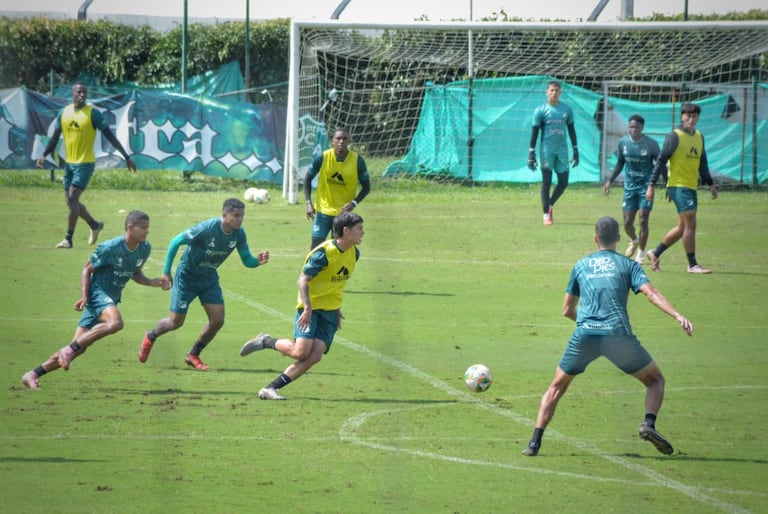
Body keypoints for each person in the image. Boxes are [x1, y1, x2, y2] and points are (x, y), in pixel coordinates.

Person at [521, 216, 693, 457]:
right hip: (617, 337)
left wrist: (588, 323)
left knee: (556, 388)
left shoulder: (581, 265)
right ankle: (648, 424)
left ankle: (534, 444)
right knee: (655, 381)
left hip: (585, 335)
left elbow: (567, 310)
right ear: (619, 238)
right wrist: (676, 315)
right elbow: (651, 294)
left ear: (595, 239)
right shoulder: (629, 265)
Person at [20, 211, 169, 390]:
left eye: (148, 228)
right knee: (115, 323)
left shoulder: (144, 249)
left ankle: (33, 373)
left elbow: (135, 274)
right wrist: (84, 295)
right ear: (130, 227)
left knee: (77, 349)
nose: (147, 232)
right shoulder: (110, 247)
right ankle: (69, 349)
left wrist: (153, 282)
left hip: (109, 299)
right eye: (143, 228)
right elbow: (87, 269)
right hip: (98, 294)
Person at [239, 211, 364, 400]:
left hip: (330, 311)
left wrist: (336, 308)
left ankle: (270, 389)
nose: (363, 232)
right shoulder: (324, 253)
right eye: (359, 229)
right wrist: (307, 308)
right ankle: (265, 341)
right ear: (346, 231)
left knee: (314, 356)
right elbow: (303, 280)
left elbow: (335, 281)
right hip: (310, 308)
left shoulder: (354, 252)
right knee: (300, 352)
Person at [137, 198, 270, 370]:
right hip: (187, 277)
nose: (240, 219)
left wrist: (257, 261)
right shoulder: (206, 228)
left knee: (217, 320)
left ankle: (193, 354)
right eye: (236, 215)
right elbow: (175, 242)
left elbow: (247, 260)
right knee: (175, 323)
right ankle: (151, 336)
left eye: (242, 216)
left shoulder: (239, 234)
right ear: (224, 215)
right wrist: (166, 272)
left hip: (208, 279)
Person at [37, 82, 137, 249]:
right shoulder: (64, 112)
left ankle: (68, 239)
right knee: (71, 202)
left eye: (84, 92)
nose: (82, 95)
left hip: (85, 163)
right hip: (69, 163)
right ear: (73, 94)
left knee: (73, 198)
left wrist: (126, 157)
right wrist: (44, 154)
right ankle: (94, 225)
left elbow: (110, 137)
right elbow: (55, 137)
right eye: (79, 92)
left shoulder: (93, 114)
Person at [645, 102, 719, 274]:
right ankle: (692, 264)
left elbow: (702, 162)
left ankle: (655, 253)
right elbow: (661, 161)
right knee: (691, 224)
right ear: (682, 117)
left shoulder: (699, 136)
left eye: (694, 116)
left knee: (682, 227)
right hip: (678, 186)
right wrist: (651, 186)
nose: (691, 119)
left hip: (691, 186)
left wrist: (710, 184)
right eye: (688, 116)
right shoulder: (675, 136)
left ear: (698, 117)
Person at [603, 114, 661, 264]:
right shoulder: (623, 143)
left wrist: (666, 184)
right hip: (630, 188)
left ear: (642, 128)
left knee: (643, 220)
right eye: (631, 127)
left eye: (636, 127)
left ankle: (640, 255)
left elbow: (659, 165)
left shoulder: (651, 144)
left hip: (645, 187)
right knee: (628, 223)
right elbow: (620, 163)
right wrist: (610, 181)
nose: (633, 130)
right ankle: (635, 241)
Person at [304, 128, 370, 249]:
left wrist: (353, 203)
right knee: (315, 247)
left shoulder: (357, 161)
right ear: (332, 141)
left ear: (348, 141)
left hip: (343, 215)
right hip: (323, 212)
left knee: (336, 249)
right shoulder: (323, 157)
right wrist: (309, 202)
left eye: (344, 139)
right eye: (338, 138)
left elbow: (367, 187)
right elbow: (307, 179)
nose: (341, 141)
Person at [528, 80, 579, 225]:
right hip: (547, 150)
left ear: (560, 92)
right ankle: (546, 215)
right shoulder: (540, 110)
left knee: (563, 182)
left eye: (556, 90)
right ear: (546, 92)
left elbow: (571, 129)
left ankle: (549, 204)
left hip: (562, 150)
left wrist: (576, 150)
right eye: (551, 90)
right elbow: (534, 132)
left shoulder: (567, 110)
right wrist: (531, 152)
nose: (554, 93)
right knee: (546, 182)